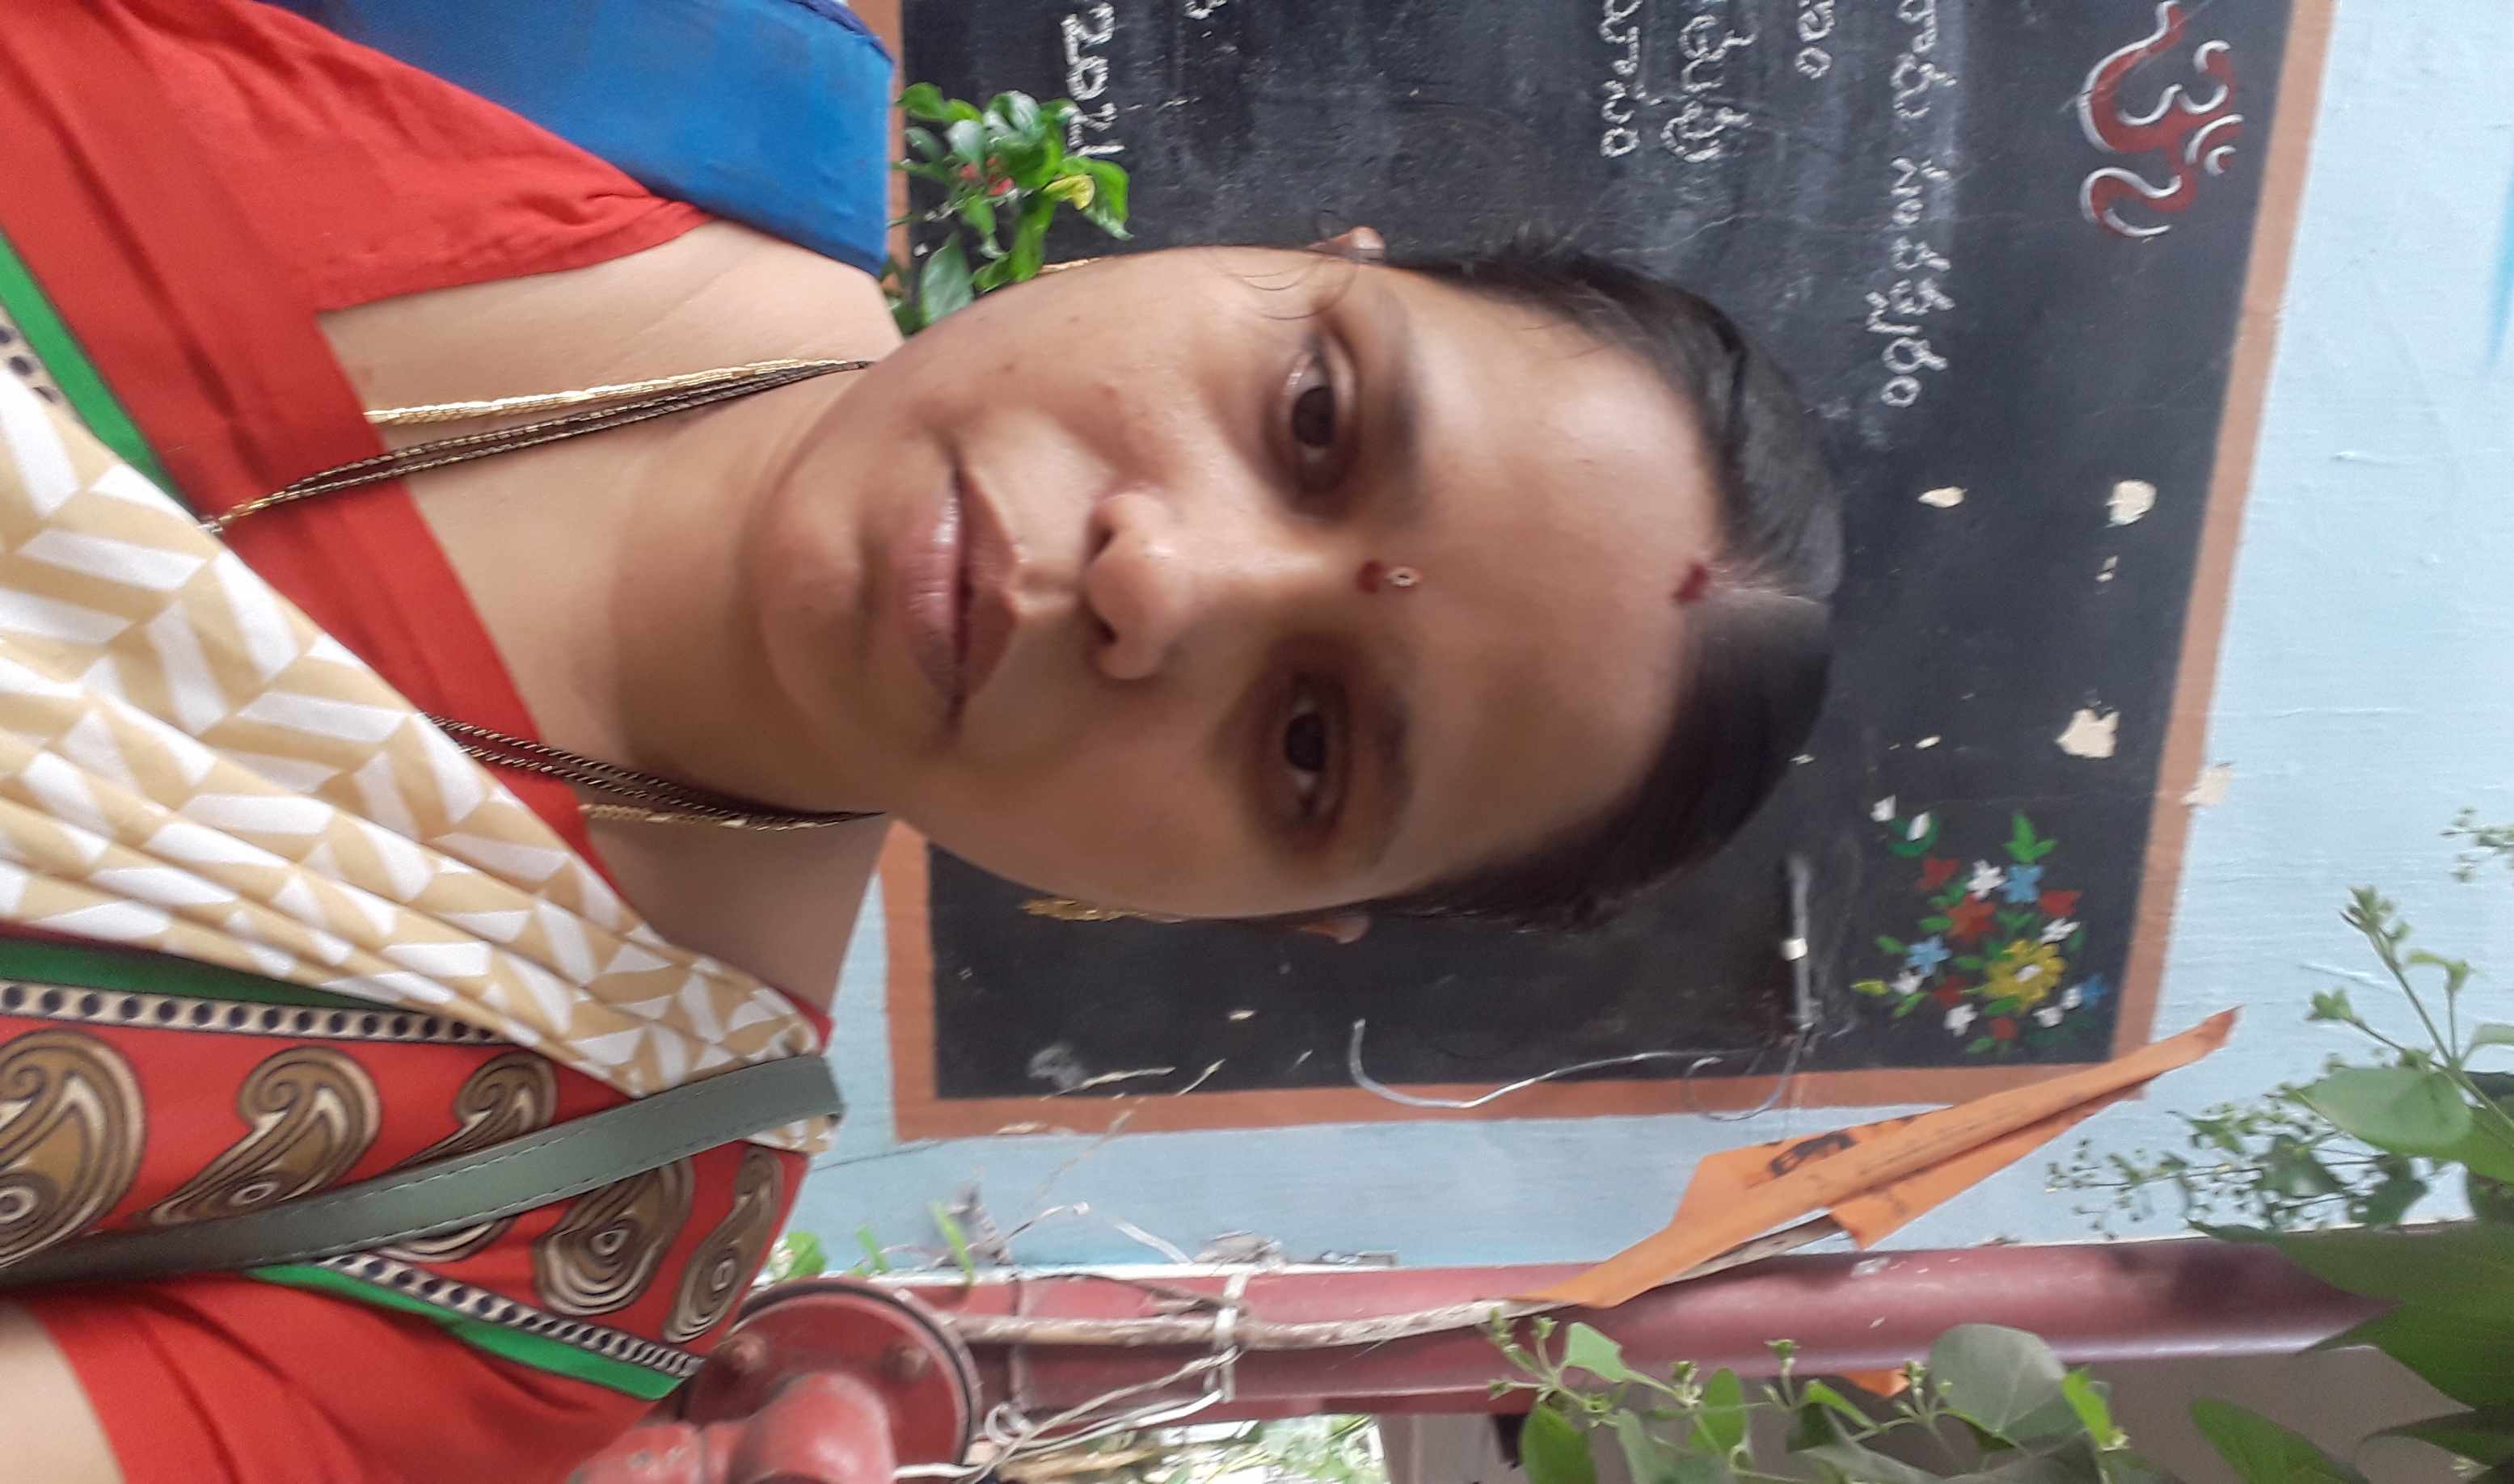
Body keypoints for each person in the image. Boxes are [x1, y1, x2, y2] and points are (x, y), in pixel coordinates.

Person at [0, 2, 1837, 1479]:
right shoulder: (617, 59)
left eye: (1307, 746)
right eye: (1312, 415)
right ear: (1301, 254)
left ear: (1273, 913)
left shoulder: (533, 1249)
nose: (1159, 577)